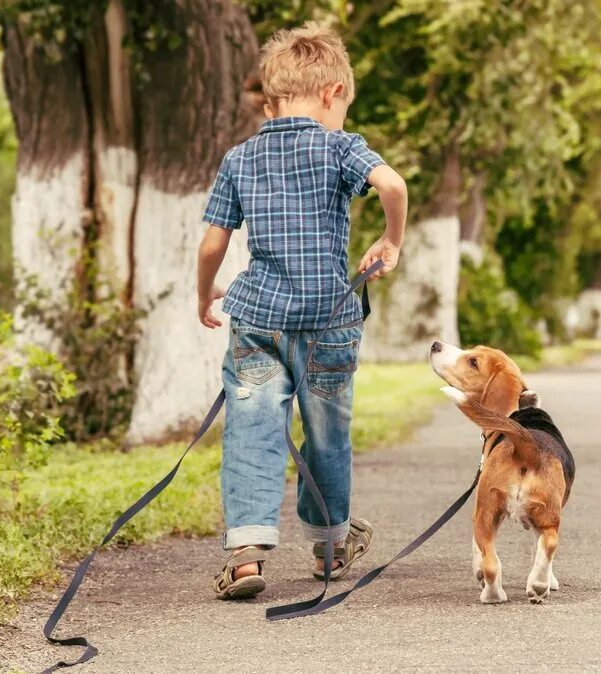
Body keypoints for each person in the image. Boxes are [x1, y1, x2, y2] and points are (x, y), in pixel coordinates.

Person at [195, 21, 407, 599]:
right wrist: (391, 240)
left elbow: (213, 243)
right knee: (327, 436)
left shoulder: (240, 158)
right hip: (330, 321)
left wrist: (204, 293)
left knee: (252, 429)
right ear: (333, 91)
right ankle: (330, 549)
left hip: (258, 321)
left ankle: (245, 555)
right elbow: (393, 186)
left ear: (272, 98)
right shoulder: (340, 146)